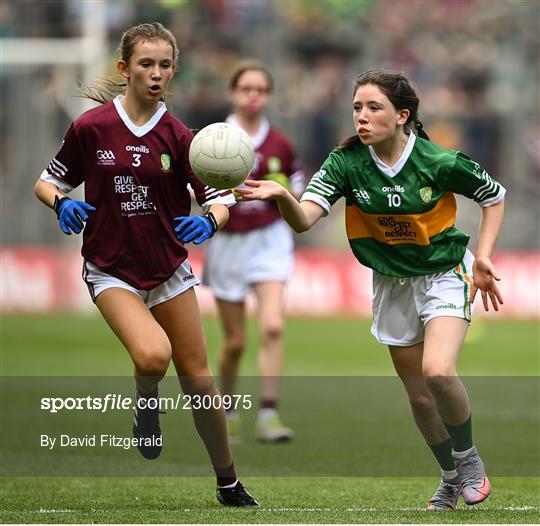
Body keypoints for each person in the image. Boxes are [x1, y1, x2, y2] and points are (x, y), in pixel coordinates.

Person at [236, 69, 505, 510]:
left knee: (438, 372)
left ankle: (469, 459)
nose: (362, 116)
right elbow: (304, 219)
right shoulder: (344, 164)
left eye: (373, 107)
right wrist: (281, 195)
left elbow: (494, 196)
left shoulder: (438, 161)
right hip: (390, 284)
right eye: (357, 108)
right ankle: (450, 477)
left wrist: (486, 256)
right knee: (418, 395)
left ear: (402, 115)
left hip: (444, 273)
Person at [34, 22, 258, 507]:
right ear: (124, 68)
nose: (155, 73)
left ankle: (228, 482)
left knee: (199, 381)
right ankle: (146, 403)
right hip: (111, 268)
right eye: (145, 64)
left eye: (164, 65)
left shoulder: (181, 136)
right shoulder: (90, 128)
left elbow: (219, 199)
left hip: (169, 269)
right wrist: (61, 203)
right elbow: (47, 182)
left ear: (172, 71)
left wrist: (212, 222)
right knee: (154, 356)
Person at [203, 62, 305, 443]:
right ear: (233, 93)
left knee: (273, 326)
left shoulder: (280, 144)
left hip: (270, 239)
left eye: (261, 89)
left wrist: (281, 192)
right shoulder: (212, 141)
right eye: (246, 88)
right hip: (229, 241)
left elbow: (300, 193)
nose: (253, 95)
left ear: (269, 96)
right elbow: (193, 190)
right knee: (234, 342)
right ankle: (226, 412)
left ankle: (269, 414)